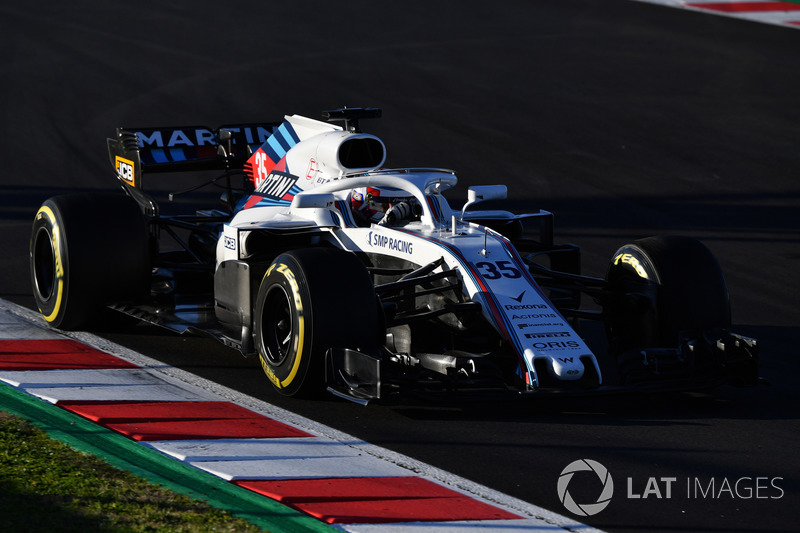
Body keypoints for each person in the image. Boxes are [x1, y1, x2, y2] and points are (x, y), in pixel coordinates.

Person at [350, 186, 420, 227]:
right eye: (384, 206)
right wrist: (386, 222)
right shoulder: (350, 225)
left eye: (396, 203)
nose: (391, 208)